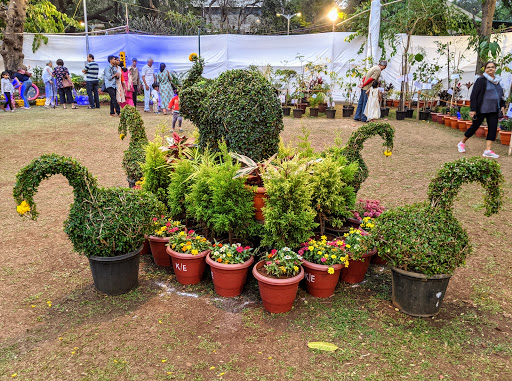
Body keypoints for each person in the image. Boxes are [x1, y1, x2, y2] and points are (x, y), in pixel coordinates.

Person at [457, 61, 506, 158]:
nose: (490, 69)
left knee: (492, 128)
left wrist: (503, 105)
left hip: (493, 109)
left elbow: (501, 95)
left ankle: (487, 150)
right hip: (481, 109)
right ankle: (462, 143)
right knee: (474, 127)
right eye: (488, 67)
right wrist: (473, 109)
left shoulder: (498, 81)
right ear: (485, 69)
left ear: (495, 69)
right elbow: (474, 95)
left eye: (492, 67)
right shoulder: (481, 80)